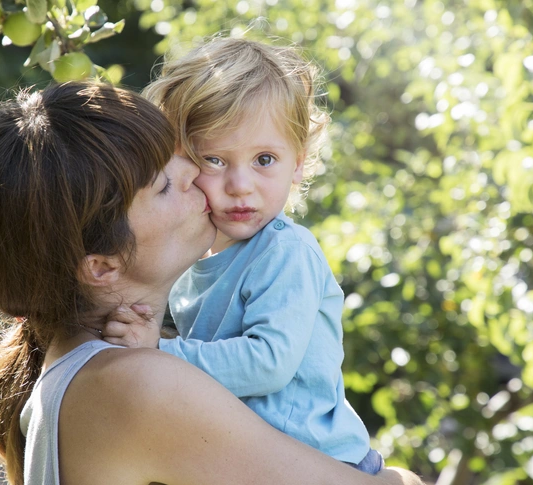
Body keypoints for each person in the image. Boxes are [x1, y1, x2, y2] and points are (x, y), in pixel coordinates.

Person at [0, 81, 423, 485]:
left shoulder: (80, 370)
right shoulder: (141, 385)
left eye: (178, 156)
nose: (194, 171)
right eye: (163, 184)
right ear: (101, 266)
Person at [101, 37, 383, 473]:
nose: (239, 185)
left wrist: (157, 351)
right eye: (214, 160)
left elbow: (267, 363)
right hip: (255, 461)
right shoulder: (193, 261)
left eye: (264, 159)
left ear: (299, 164)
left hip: (322, 463)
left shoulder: (286, 252)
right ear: (182, 162)